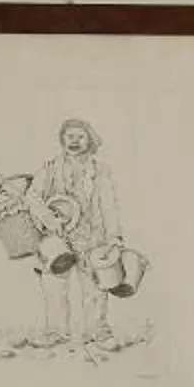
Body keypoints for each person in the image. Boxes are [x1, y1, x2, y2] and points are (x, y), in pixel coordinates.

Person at [30, 117, 122, 351]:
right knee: (54, 287)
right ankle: (57, 331)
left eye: (80, 136)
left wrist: (114, 238)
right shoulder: (50, 167)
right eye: (69, 136)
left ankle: (98, 332)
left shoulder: (101, 171)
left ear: (90, 139)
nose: (74, 141)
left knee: (95, 288)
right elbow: (32, 197)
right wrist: (50, 219)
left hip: (92, 238)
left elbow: (109, 206)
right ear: (62, 139)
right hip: (57, 240)